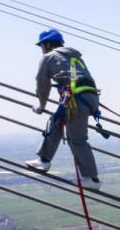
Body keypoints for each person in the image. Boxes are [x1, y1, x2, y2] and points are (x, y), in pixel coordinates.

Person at [25, 29, 102, 191]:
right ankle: (43, 160)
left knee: (77, 139)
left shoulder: (49, 57)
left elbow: (42, 83)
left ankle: (92, 180)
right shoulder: (73, 57)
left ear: (47, 44)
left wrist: (41, 106)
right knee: (55, 122)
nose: (41, 49)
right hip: (89, 98)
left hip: (77, 101)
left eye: (41, 46)